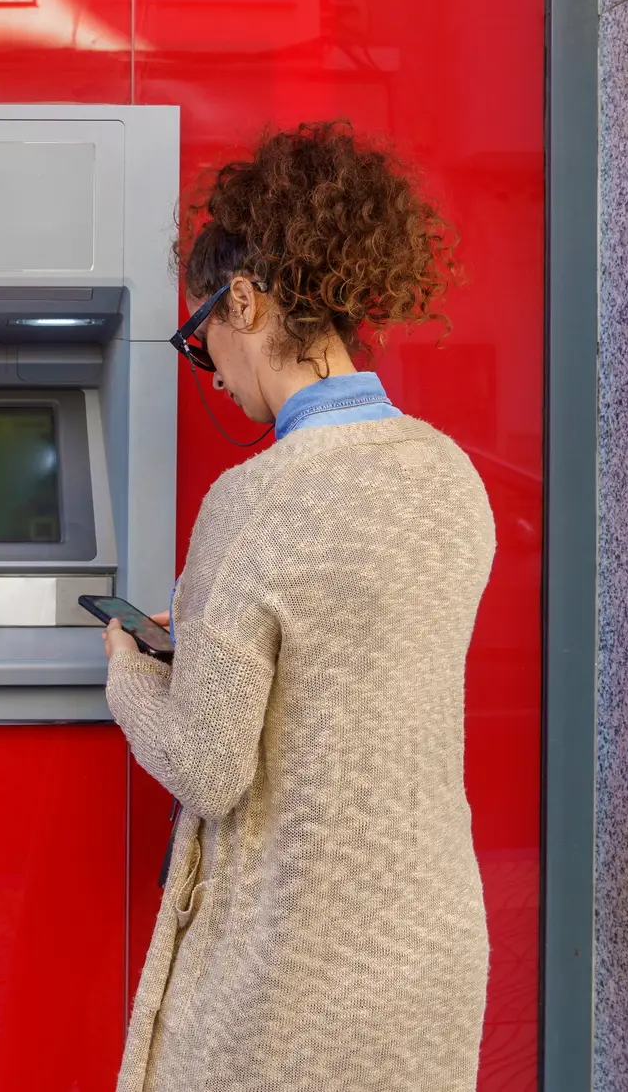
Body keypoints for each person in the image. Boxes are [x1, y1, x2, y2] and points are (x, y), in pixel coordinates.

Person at [104, 122, 493, 1092]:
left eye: (202, 341)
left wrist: (128, 672)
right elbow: (353, 667)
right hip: (428, 955)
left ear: (242, 298)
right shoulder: (452, 477)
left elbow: (208, 762)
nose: (213, 370)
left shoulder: (255, 499)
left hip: (295, 980)